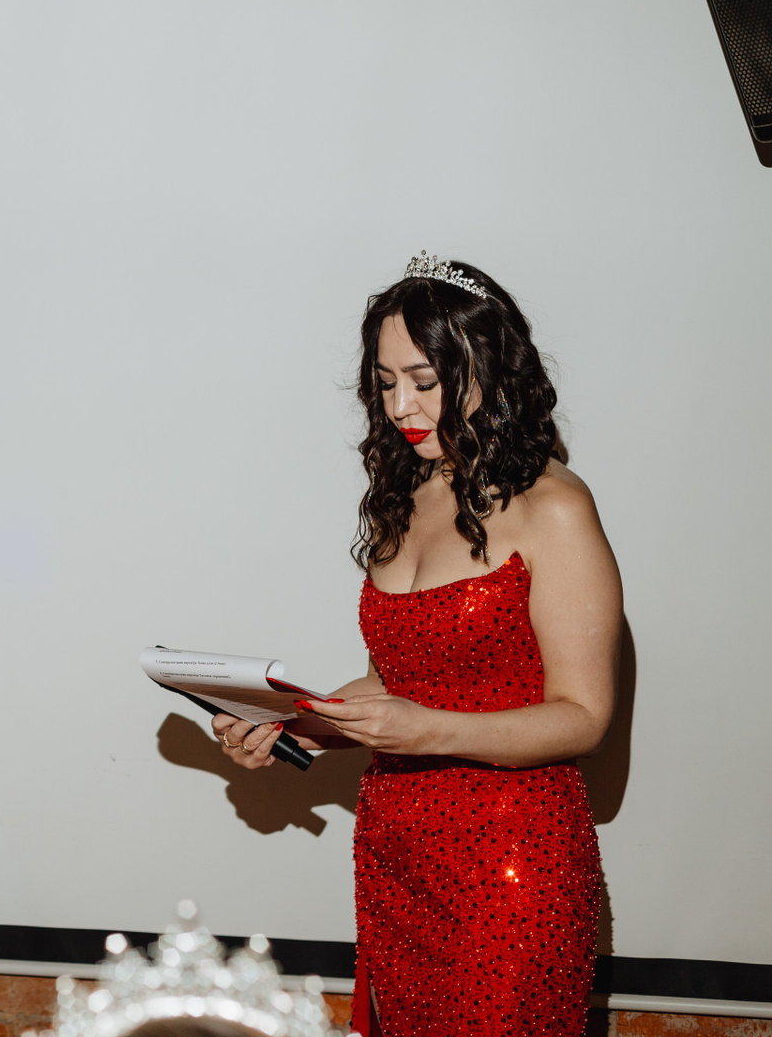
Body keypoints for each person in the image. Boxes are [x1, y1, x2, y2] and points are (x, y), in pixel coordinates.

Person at [212, 254, 618, 1037]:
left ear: (488, 368)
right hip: (397, 860)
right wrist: (292, 726)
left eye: (425, 381)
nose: (400, 405)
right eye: (385, 381)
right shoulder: (407, 492)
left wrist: (426, 729)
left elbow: (584, 716)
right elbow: (393, 681)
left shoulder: (555, 507)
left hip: (513, 867)